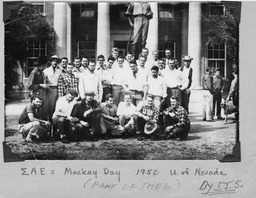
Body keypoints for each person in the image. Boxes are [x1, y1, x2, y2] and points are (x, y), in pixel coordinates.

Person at [43, 55, 62, 121]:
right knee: (47, 107)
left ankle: (54, 126)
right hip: (48, 89)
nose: (55, 63)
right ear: (51, 62)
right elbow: (44, 81)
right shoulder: (46, 71)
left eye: (56, 61)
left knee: (54, 107)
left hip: (56, 89)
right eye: (54, 61)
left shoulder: (59, 71)